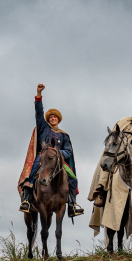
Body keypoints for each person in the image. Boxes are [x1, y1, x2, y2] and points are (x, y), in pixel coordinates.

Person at [18, 84, 84, 217]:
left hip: (58, 160)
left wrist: (59, 154)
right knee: (32, 171)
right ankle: (26, 201)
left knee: (72, 177)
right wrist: (38, 95)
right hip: (43, 157)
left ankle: (72, 204)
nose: (53, 119)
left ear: (58, 119)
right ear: (48, 119)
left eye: (55, 117)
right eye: (51, 117)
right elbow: (39, 112)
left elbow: (68, 151)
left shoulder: (64, 135)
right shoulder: (44, 128)